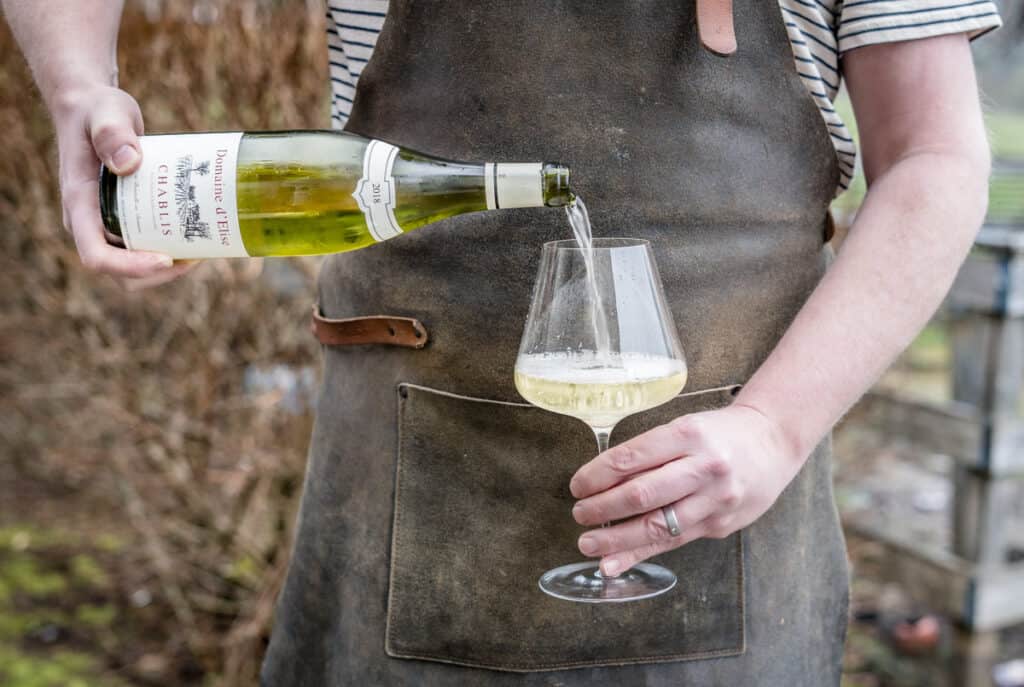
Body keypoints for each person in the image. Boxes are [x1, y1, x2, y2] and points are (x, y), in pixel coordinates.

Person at [3, 0, 1002, 684]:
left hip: (722, 525)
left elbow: (934, 153)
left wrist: (774, 432)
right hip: (395, 507)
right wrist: (77, 84)